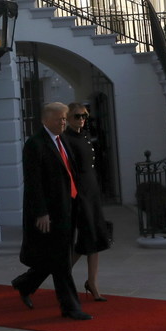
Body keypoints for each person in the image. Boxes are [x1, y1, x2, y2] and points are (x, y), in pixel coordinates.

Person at [12, 102, 92, 320]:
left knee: (56, 257)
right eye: (59, 119)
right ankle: (70, 307)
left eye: (65, 118)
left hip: (69, 206)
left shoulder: (62, 139)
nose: (63, 122)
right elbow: (33, 182)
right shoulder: (35, 144)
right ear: (45, 120)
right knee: (62, 262)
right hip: (51, 212)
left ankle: (25, 284)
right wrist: (41, 212)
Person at [64, 103, 111, 302]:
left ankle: (92, 281)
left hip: (92, 191)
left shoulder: (83, 135)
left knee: (97, 237)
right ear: (68, 118)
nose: (82, 120)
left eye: (84, 116)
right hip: (80, 193)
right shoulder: (66, 139)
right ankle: (62, 273)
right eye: (77, 116)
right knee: (87, 237)